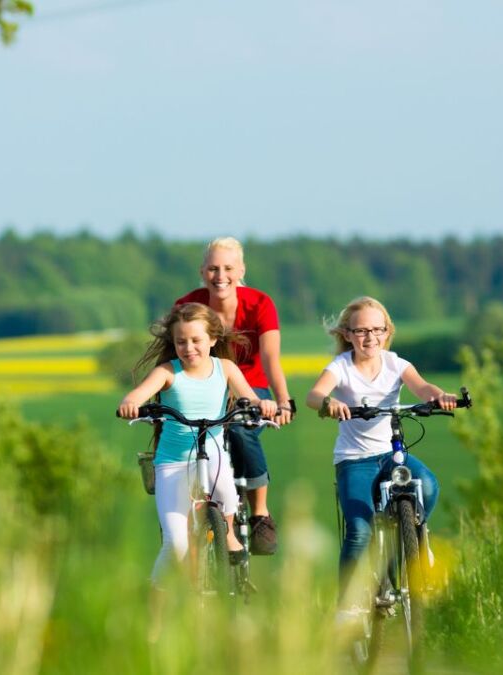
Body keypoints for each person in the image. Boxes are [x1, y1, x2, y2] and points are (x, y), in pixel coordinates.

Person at [304, 296, 457, 612]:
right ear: (347, 334)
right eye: (361, 331)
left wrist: (439, 397)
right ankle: (346, 606)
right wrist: (328, 403)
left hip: (391, 453)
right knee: (359, 529)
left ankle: (416, 536)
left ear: (387, 332)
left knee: (426, 485)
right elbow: (314, 394)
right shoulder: (341, 367)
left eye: (377, 330)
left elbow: (421, 387)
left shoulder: (395, 363)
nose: (369, 337)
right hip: (354, 459)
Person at [117, 303, 279, 588]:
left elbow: (250, 398)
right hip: (173, 462)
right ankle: (156, 606)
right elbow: (139, 394)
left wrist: (262, 404)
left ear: (213, 339)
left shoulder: (225, 368)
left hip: (213, 453)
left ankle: (227, 534)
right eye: (181, 341)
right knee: (175, 546)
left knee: (228, 493)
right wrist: (131, 404)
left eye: (196, 340)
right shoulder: (168, 372)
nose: (188, 347)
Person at [173, 237, 293, 555]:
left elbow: (270, 359)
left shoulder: (259, 304)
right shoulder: (188, 305)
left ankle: (260, 513)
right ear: (202, 272)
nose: (220, 275)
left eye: (227, 268)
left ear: (241, 270)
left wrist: (283, 400)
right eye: (213, 268)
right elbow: (169, 354)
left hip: (252, 390)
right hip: (201, 388)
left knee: (240, 429)